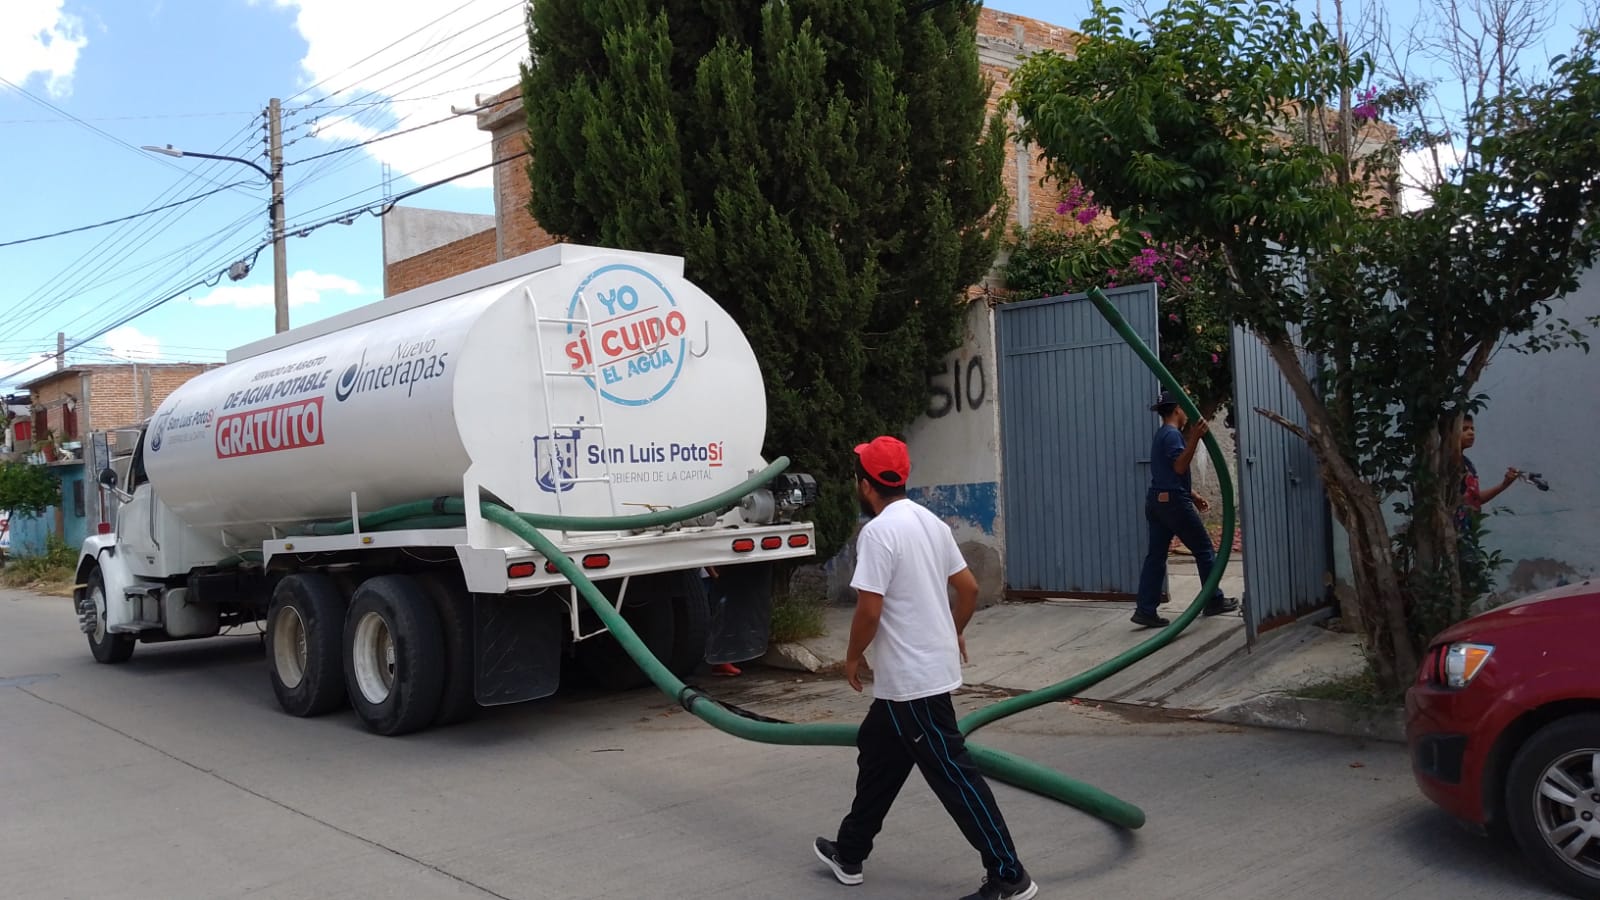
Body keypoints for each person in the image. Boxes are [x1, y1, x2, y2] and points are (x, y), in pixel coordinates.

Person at [813, 436, 1037, 900]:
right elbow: (969, 588)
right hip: (909, 682)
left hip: (912, 684)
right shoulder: (929, 522)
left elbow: (870, 611)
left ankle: (1009, 875)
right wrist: (951, 631)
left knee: (955, 777)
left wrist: (852, 657)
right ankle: (850, 852)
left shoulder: (877, 533)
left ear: (866, 484)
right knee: (877, 754)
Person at [1132, 391, 1240, 629]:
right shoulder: (1172, 435)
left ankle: (1145, 609)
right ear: (1178, 409)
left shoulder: (1162, 434)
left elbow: (1167, 473)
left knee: (1156, 556)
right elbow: (1180, 467)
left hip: (1158, 502)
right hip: (1172, 503)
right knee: (1203, 549)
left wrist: (1194, 494)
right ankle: (1213, 599)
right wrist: (1195, 439)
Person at [1458, 414, 1519, 528]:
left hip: (1467, 532)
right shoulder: (1444, 464)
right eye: (1464, 429)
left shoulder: (1468, 464)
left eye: (1472, 429)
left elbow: (1475, 499)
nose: (1471, 433)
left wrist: (1504, 484)